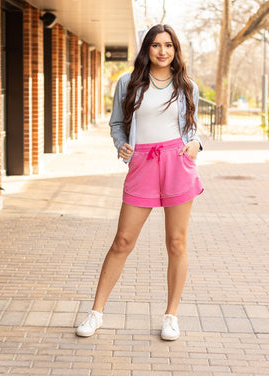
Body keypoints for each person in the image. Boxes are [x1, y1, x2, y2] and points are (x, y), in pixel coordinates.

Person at [76, 24, 204, 341]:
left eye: (169, 45)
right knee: (123, 241)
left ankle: (171, 316)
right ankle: (95, 313)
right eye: (156, 45)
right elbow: (117, 123)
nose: (163, 51)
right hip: (143, 164)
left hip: (177, 163)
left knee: (176, 243)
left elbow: (192, 126)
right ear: (147, 49)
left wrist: (196, 144)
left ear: (176, 50)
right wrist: (123, 148)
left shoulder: (187, 85)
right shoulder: (129, 83)